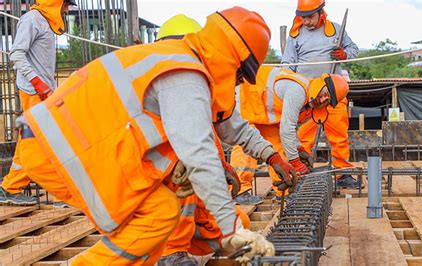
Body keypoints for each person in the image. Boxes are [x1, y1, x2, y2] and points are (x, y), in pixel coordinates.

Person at [14, 7, 297, 264]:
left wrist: (270, 156)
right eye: (240, 75)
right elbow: (200, 155)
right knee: (158, 213)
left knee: (158, 213)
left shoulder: (190, 66)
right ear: (233, 60)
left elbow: (229, 124)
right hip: (63, 148)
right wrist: (230, 231)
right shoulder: (184, 74)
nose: (237, 82)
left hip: (65, 145)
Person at [153, 15, 291, 265]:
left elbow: (234, 127)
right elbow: (193, 154)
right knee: (182, 173)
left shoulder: (202, 85)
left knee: (241, 221)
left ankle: (180, 248)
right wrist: (233, 230)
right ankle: (169, 253)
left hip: (180, 201)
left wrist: (271, 155)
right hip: (144, 194)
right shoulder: (165, 82)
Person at [231, 66, 349, 202]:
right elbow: (287, 129)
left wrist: (298, 149)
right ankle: (239, 191)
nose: (322, 100)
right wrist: (296, 162)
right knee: (245, 141)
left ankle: (284, 190)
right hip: (246, 94)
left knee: (277, 146)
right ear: (321, 84)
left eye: (327, 100)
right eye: (325, 94)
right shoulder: (298, 91)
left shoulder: (307, 98)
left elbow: (287, 129)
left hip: (260, 107)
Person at [0, 0, 76, 206]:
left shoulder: (44, 23)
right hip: (33, 91)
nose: (67, 10)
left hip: (41, 92)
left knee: (32, 141)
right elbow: (16, 53)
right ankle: (60, 194)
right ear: (56, 3)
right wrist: (37, 82)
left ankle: (10, 188)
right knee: (42, 141)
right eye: (66, 5)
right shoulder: (32, 19)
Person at [281, 0, 360, 188]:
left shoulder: (336, 30)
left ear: (321, 13)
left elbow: (354, 49)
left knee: (339, 134)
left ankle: (343, 175)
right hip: (307, 95)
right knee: (303, 137)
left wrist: (344, 54)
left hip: (332, 92)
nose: (306, 21)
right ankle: (301, 173)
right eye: (303, 17)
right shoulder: (296, 35)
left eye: (310, 17)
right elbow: (287, 65)